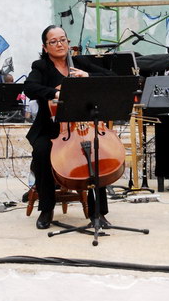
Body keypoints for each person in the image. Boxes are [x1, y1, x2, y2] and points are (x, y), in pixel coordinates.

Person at [24, 25, 116, 230]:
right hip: (51, 129)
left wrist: (88, 77)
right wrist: (55, 94)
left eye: (63, 39)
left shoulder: (80, 63)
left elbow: (111, 76)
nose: (60, 44)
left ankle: (98, 213)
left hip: (83, 126)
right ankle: (46, 209)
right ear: (45, 47)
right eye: (54, 41)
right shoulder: (41, 66)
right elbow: (29, 87)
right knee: (41, 152)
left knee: (96, 151)